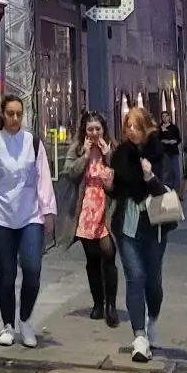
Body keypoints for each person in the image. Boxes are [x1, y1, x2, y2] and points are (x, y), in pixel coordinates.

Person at [0, 93, 56, 347]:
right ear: (2, 114)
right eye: (10, 114)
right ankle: (8, 325)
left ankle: (25, 320)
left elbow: (42, 179)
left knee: (32, 268)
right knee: (7, 272)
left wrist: (48, 211)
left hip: (30, 216)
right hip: (0, 216)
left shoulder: (34, 144)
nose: (15, 118)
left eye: (19, 114)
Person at [110, 105, 170, 363]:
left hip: (155, 226)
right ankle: (139, 336)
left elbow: (165, 190)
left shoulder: (159, 153)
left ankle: (152, 318)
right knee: (135, 276)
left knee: (153, 282)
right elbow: (116, 191)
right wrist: (108, 185)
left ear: (146, 129)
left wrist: (150, 177)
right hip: (127, 225)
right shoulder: (120, 155)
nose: (131, 131)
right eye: (128, 127)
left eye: (136, 127)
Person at [62, 111, 119, 326]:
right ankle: (98, 303)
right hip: (85, 209)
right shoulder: (77, 149)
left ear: (103, 129)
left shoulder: (111, 149)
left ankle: (111, 307)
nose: (94, 133)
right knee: (92, 258)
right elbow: (69, 173)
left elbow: (117, 181)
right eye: (90, 129)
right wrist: (85, 156)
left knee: (108, 253)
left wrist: (108, 156)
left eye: (98, 129)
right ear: (84, 131)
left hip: (106, 209)